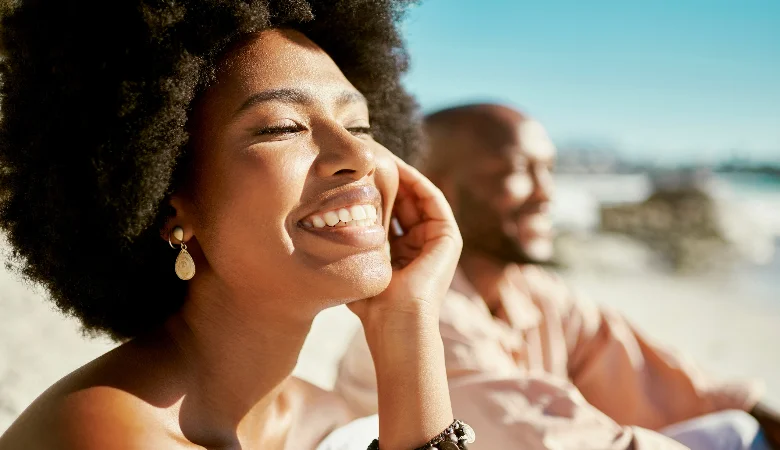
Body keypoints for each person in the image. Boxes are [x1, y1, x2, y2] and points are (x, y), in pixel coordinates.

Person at [0, 2, 472, 449]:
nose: (360, 156)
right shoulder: (101, 433)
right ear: (170, 209)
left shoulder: (326, 418)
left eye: (360, 126)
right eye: (282, 128)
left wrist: (405, 324)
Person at [335, 103, 780, 450]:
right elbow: (554, 440)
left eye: (547, 170)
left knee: (738, 424)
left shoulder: (532, 291)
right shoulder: (424, 317)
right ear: (432, 187)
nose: (547, 193)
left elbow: (653, 373)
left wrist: (758, 413)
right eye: (516, 171)